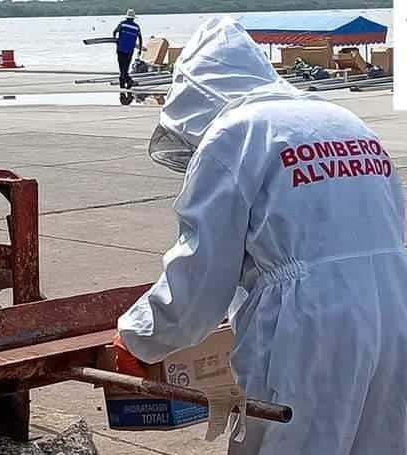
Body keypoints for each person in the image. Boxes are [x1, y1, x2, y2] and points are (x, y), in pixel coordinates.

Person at [115, 16, 407, 455]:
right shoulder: (343, 120)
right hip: (396, 306)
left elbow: (200, 274)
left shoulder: (235, 134)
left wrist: (140, 337)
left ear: (198, 94)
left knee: (292, 439)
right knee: (380, 437)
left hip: (311, 325)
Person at [113, 9, 142, 89]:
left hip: (120, 49)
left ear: (127, 17)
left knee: (122, 68)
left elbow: (114, 32)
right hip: (130, 51)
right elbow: (140, 38)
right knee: (125, 68)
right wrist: (139, 50)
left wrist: (116, 41)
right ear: (133, 18)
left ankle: (126, 83)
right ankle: (127, 83)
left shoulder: (122, 24)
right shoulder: (136, 27)